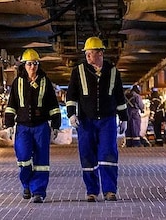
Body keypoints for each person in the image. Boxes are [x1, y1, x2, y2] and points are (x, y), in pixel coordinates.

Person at [66, 36, 128, 202]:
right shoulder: (78, 71)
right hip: (86, 121)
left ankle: (109, 191)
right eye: (86, 53)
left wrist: (124, 118)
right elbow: (71, 95)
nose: (87, 56)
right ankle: (92, 191)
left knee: (108, 153)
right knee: (87, 155)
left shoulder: (113, 72)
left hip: (107, 120)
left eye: (91, 53)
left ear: (100, 53)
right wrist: (71, 114)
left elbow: (119, 97)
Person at [4, 48, 61, 203]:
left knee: (41, 161)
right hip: (23, 127)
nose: (32, 67)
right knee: (23, 158)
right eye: (29, 64)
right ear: (24, 65)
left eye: (35, 64)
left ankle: (38, 192)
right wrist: (9, 124)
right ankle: (26, 184)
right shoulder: (18, 82)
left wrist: (56, 125)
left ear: (38, 65)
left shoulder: (45, 82)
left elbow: (53, 105)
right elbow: (11, 105)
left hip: (41, 127)